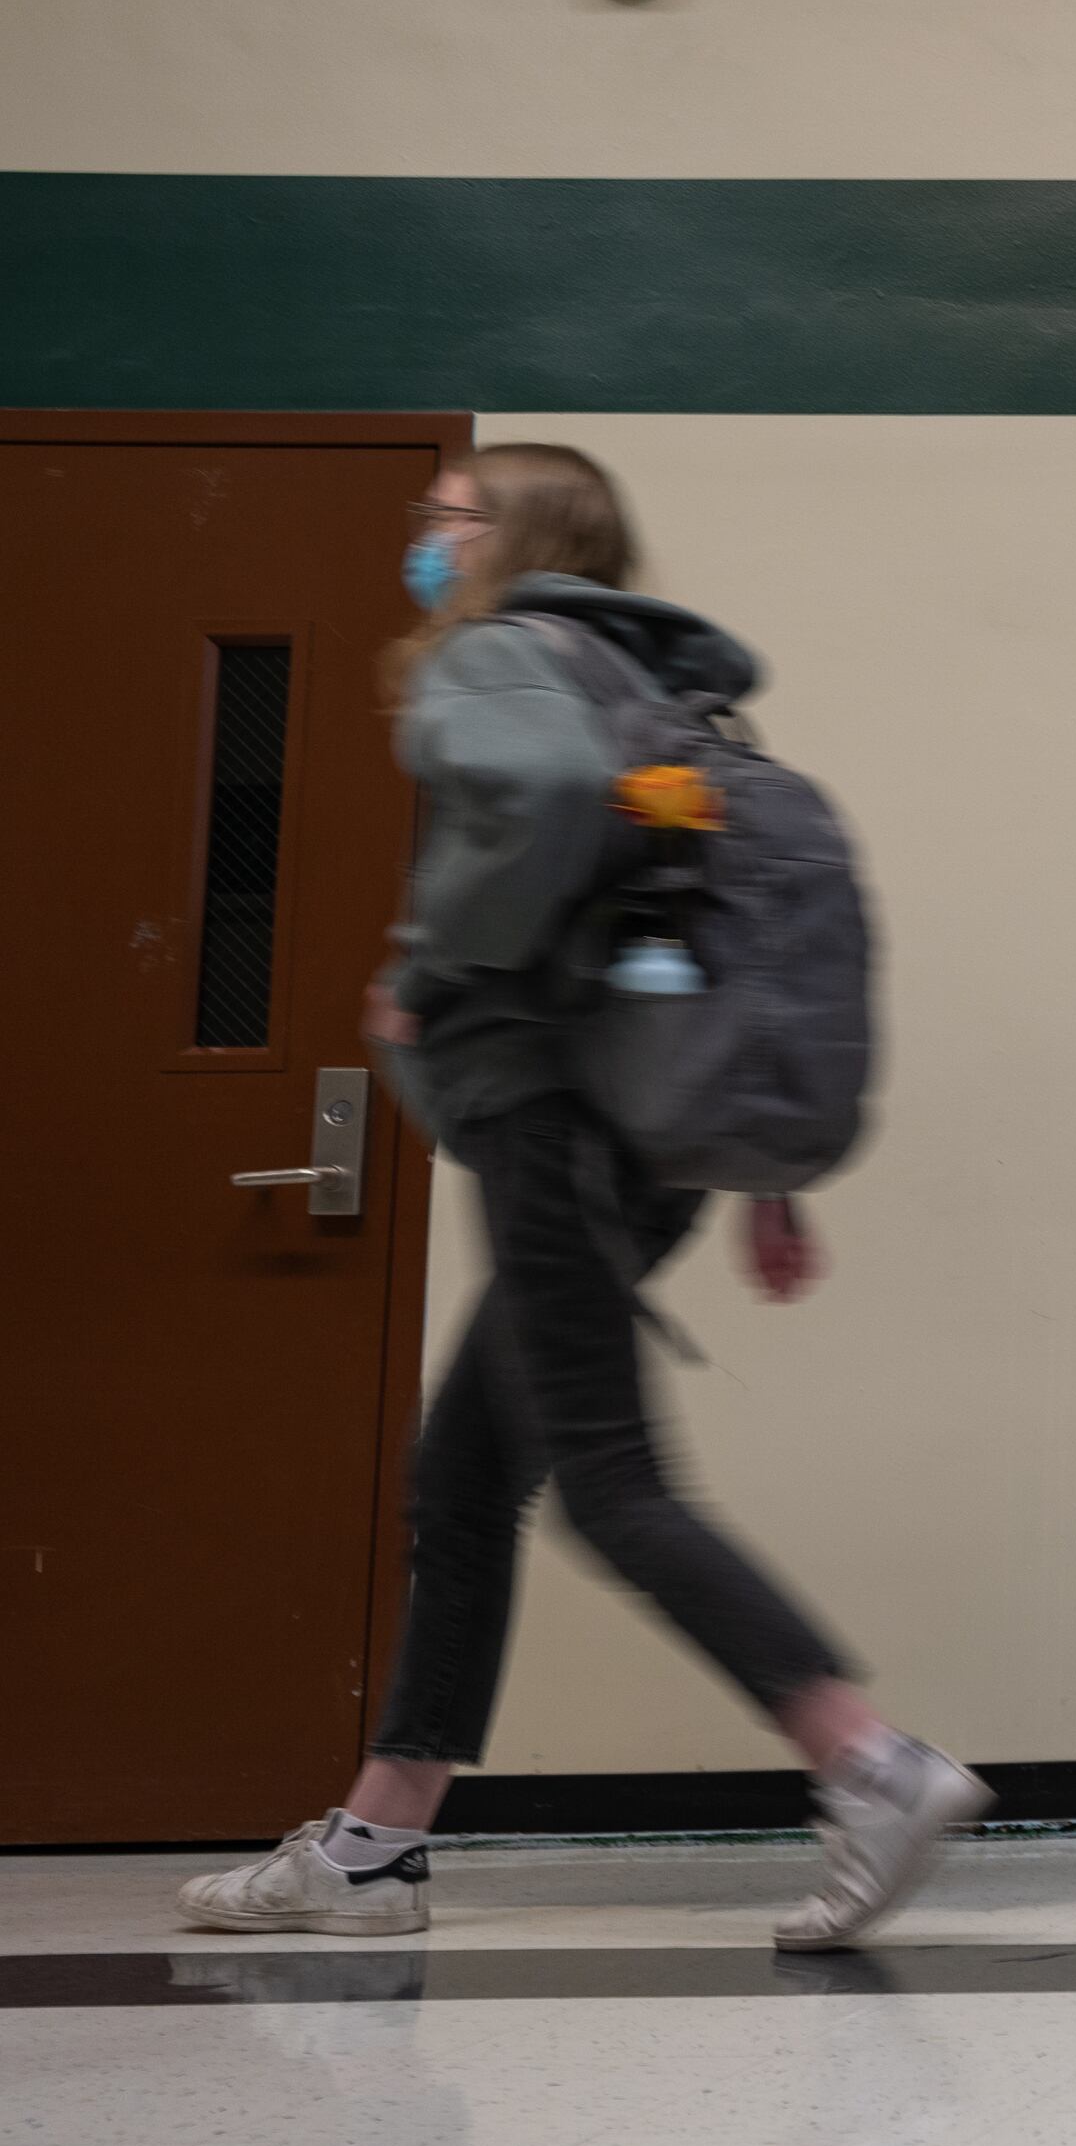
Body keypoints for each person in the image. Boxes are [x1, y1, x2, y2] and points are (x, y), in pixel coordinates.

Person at [176, 445, 987, 1951]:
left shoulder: (501, 659)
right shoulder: (660, 693)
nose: (427, 533)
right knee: (467, 1481)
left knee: (615, 1485)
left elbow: (543, 808)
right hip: (646, 1143)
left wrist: (435, 972)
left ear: (514, 539)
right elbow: (686, 928)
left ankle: (870, 1763)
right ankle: (374, 1847)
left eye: (448, 514)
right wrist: (751, 1169)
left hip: (554, 1123)